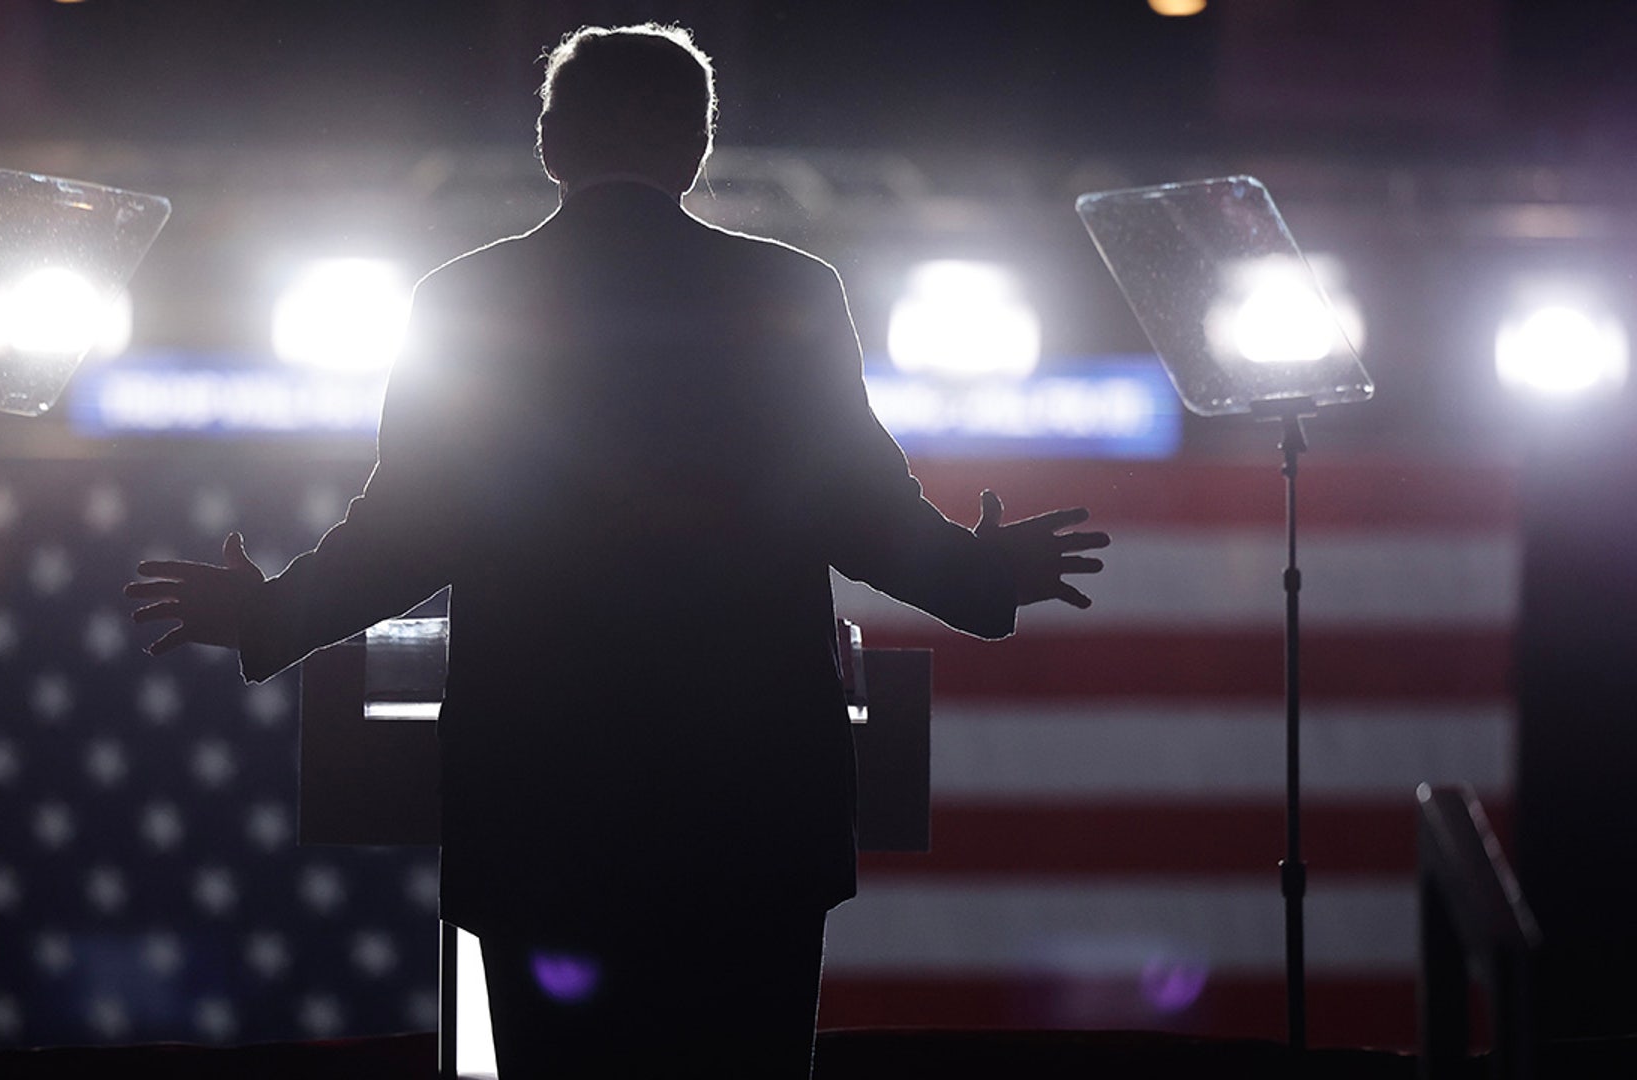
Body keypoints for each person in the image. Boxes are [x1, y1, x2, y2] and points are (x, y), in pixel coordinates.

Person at [126, 23, 1107, 1079]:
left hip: (543, 811)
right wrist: (984, 578)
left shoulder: (466, 299)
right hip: (749, 814)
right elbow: (862, 513)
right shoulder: (787, 292)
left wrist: (272, 615)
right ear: (697, 148)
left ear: (550, 143)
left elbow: (411, 528)